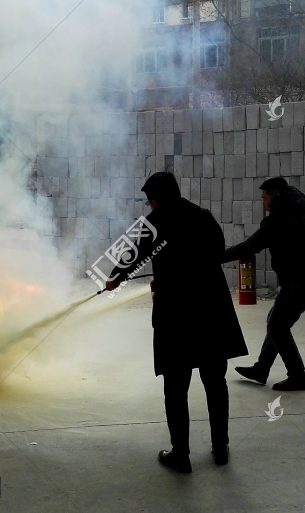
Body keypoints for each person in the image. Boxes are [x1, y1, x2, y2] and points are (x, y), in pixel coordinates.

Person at [105, 171, 247, 474]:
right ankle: (220, 448)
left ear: (155, 199)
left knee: (176, 386)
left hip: (176, 316)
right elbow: (216, 253)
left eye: (150, 201)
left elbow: (128, 257)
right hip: (211, 311)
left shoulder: (152, 223)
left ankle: (180, 454)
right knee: (215, 382)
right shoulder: (203, 216)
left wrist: (113, 278)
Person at [223, 177, 305, 392]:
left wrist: (214, 257)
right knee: (276, 321)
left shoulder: (280, 219)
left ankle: (299, 377)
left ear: (275, 197)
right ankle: (261, 369)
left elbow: (249, 246)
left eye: (264, 199)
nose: (263, 204)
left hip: (302, 284)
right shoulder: (300, 205)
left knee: (277, 327)